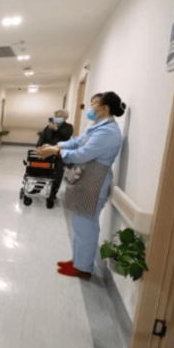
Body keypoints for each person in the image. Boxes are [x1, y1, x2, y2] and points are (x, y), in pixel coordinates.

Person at [35, 92, 126, 278]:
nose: (90, 109)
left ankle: (83, 268)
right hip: (85, 177)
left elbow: (82, 154)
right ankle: (78, 260)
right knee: (79, 223)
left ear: (105, 108)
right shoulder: (97, 126)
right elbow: (77, 142)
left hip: (94, 180)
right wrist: (58, 146)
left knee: (86, 226)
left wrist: (56, 151)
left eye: (94, 105)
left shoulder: (108, 132)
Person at [36, 108, 74, 205]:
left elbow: (66, 136)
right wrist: (38, 146)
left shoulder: (68, 127)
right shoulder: (48, 126)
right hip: (47, 153)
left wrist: (57, 129)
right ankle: (38, 187)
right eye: (56, 116)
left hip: (59, 153)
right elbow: (42, 136)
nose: (57, 118)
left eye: (59, 116)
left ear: (65, 117)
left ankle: (52, 195)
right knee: (43, 171)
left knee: (58, 174)